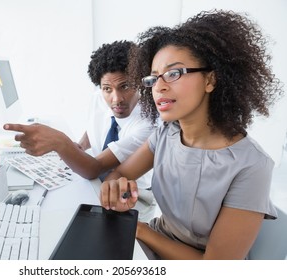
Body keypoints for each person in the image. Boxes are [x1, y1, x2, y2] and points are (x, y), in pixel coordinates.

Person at [99, 10, 283, 260]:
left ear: (210, 80)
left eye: (174, 73)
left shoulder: (251, 165)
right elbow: (118, 174)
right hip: (153, 242)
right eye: (153, 78)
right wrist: (116, 189)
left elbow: (215, 269)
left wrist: (139, 229)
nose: (160, 87)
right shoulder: (166, 132)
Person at [4, 41, 156, 221]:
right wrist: (82, 145)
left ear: (139, 82)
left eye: (125, 86)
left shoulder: (148, 124)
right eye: (107, 89)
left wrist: (60, 142)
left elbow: (94, 168)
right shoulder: (99, 97)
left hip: (131, 199)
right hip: (98, 184)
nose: (116, 99)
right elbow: (98, 123)